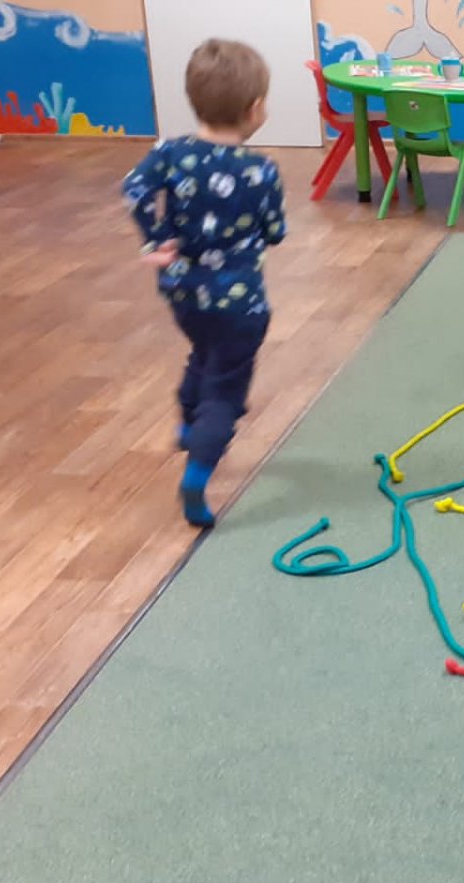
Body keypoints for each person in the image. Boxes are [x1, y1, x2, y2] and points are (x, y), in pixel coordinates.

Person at [121, 39, 286, 528]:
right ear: (255, 109)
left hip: (184, 294)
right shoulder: (260, 170)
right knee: (226, 389)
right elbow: (275, 231)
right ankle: (197, 471)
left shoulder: (170, 152)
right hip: (240, 304)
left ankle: (187, 423)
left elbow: (133, 188)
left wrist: (157, 238)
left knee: (203, 351)